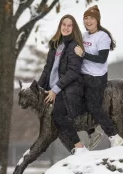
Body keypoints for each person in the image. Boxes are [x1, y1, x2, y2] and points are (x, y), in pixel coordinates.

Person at [74, 5, 123, 147]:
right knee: (75, 102)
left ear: (97, 20)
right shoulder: (83, 36)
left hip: (97, 77)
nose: (88, 21)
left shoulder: (103, 37)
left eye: (91, 18)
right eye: (85, 18)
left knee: (93, 106)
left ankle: (114, 136)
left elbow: (101, 58)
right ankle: (93, 132)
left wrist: (83, 54)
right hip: (82, 75)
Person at [38, 14, 88, 155]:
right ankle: (73, 151)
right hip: (52, 87)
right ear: (60, 26)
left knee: (58, 114)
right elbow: (47, 69)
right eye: (64, 24)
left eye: (69, 25)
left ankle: (79, 147)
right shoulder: (54, 45)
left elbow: (73, 72)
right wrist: (39, 89)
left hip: (69, 87)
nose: (66, 28)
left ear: (73, 28)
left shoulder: (74, 46)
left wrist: (55, 89)